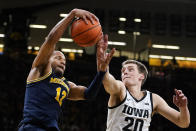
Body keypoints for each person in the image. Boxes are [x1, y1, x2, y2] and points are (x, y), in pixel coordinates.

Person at [18, 9, 107, 131]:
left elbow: (88, 94)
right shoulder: (39, 70)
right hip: (32, 127)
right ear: (48, 58)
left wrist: (101, 72)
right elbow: (51, 39)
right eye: (58, 57)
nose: (63, 61)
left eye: (64, 60)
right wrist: (72, 14)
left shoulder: (67, 85)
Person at [96, 34, 190, 131]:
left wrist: (183, 108)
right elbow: (108, 82)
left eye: (130, 69)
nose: (125, 72)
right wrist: (104, 69)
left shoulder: (154, 99)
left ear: (141, 76)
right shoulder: (120, 89)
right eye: (123, 70)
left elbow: (183, 123)